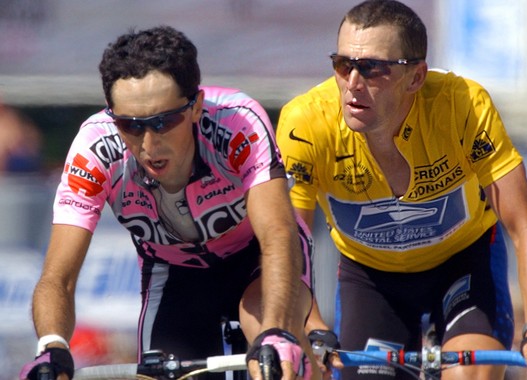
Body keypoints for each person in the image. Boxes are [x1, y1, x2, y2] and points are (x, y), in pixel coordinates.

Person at [276, 1, 527, 379]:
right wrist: (312, 326)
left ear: (415, 77)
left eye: (371, 68)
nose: (352, 83)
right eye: (342, 64)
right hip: (371, 276)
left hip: (462, 261)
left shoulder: (462, 106)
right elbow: (285, 242)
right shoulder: (306, 123)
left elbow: (526, 224)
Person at [20, 25, 317, 380]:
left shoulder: (238, 121)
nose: (149, 143)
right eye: (130, 125)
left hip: (257, 258)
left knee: (269, 349)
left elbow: (279, 236)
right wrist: (52, 346)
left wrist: (278, 331)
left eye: (164, 122)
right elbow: (58, 277)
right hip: (175, 270)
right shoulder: (94, 149)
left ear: (196, 108)